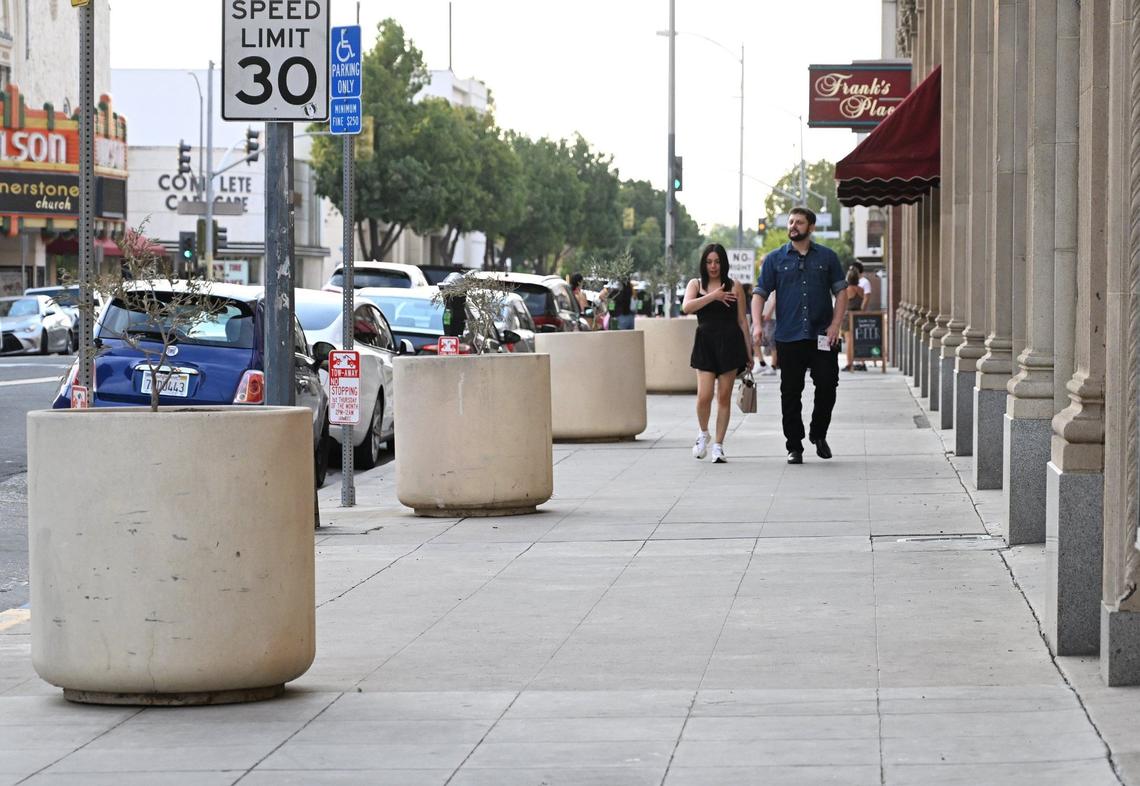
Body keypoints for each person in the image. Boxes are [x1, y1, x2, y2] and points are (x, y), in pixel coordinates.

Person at [750, 207, 849, 465]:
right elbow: (759, 293)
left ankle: (818, 433)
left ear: (811, 227)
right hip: (789, 337)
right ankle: (794, 446)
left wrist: (835, 324)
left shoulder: (827, 258)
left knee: (828, 385)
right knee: (790, 393)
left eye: (799, 222)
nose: (793, 226)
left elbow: (841, 293)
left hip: (822, 336)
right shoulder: (775, 259)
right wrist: (757, 324)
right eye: (791, 222)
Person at [684, 243, 753, 464]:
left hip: (730, 344)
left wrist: (749, 352)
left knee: (724, 397)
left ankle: (719, 446)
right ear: (704, 263)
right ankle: (703, 433)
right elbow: (687, 307)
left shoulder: (735, 286)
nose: (713, 266)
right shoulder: (695, 284)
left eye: (717, 261)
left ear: (723, 262)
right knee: (704, 396)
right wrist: (713, 296)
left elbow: (742, 321)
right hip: (705, 343)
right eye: (709, 261)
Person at [843, 267, 864, 372]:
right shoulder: (861, 290)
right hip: (858, 316)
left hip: (848, 316)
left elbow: (844, 304)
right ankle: (860, 361)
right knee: (858, 340)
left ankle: (849, 363)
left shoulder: (847, 290)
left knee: (849, 341)